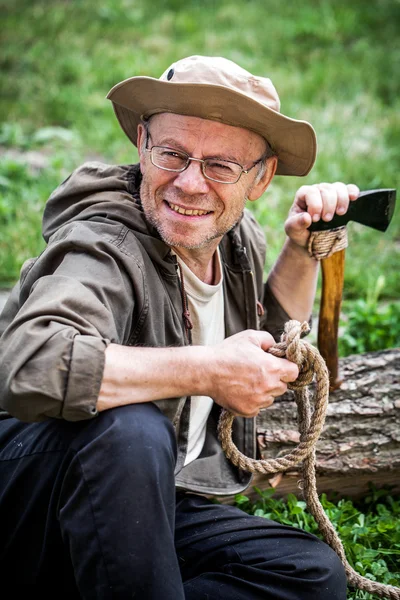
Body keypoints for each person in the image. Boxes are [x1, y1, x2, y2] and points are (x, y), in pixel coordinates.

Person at [0, 55, 358, 599]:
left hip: (141, 501)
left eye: (221, 166)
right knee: (131, 430)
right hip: (28, 501)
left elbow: (269, 334)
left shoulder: (235, 238)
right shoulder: (105, 245)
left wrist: (303, 249)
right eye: (171, 153)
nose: (189, 184)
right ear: (142, 143)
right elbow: (31, 363)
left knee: (309, 575)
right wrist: (208, 369)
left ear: (259, 179)